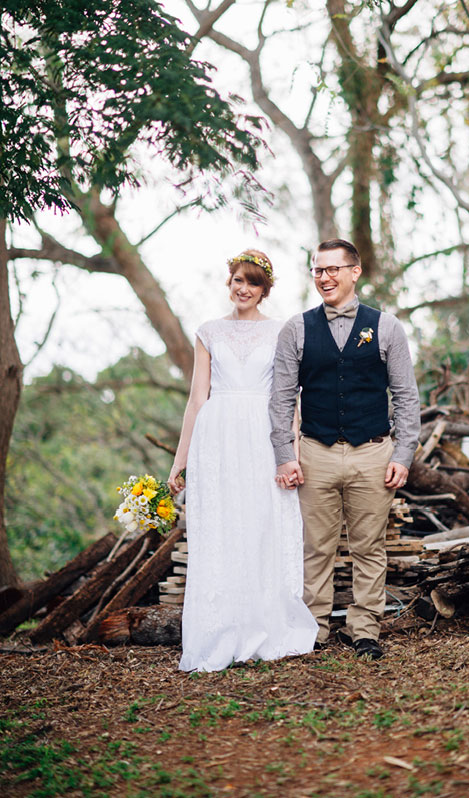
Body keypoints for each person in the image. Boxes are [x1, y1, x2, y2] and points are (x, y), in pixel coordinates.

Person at [269, 239, 420, 660]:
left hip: (372, 452)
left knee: (369, 546)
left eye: (334, 269)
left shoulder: (387, 326)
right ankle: (311, 630)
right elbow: (281, 398)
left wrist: (402, 455)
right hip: (314, 451)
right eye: (318, 270)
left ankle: (364, 630)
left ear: (355, 272)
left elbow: (406, 396)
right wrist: (285, 453)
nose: (325, 277)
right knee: (315, 546)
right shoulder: (296, 329)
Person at [168, 249, 318, 672]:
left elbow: (290, 400)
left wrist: (293, 454)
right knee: (221, 527)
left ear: (264, 290)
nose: (243, 288)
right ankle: (221, 629)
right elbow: (197, 399)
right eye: (237, 280)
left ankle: (264, 625)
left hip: (262, 433)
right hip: (217, 436)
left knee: (261, 523)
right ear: (228, 282)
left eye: (252, 282)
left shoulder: (283, 331)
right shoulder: (209, 331)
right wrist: (180, 461)